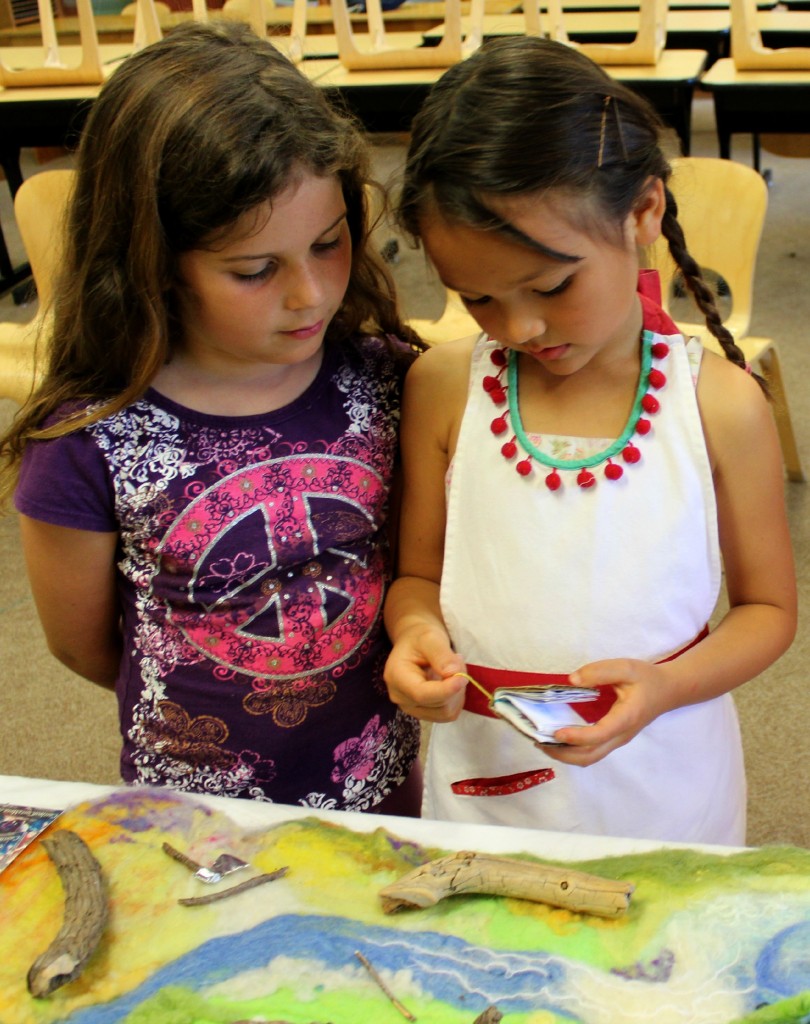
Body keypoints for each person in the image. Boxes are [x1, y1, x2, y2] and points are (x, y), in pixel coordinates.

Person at [0, 20, 426, 814]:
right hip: (196, 812)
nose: (310, 294)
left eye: (330, 244)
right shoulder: (90, 435)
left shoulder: (385, 377)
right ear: (152, 260)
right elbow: (86, 645)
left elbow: (418, 567)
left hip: (379, 789)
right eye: (255, 269)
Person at [383, 36, 796, 844]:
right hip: (487, 769)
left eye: (551, 286)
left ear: (643, 212)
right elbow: (416, 576)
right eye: (479, 299)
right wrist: (415, 634)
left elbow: (769, 610)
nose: (521, 327)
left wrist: (666, 688)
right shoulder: (441, 389)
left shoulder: (719, 404)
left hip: (666, 767)